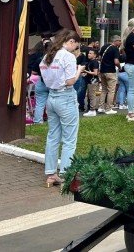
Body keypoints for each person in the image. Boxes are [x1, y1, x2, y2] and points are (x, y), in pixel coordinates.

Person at [40, 30, 84, 187]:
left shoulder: (48, 56)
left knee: (52, 136)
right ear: (70, 41)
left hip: (51, 97)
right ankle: (66, 173)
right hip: (65, 97)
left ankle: (51, 173)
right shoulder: (68, 57)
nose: (75, 49)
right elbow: (70, 81)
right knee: (69, 139)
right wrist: (78, 71)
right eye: (75, 45)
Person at [122, 18, 134, 121]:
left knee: (132, 90)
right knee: (133, 90)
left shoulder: (130, 37)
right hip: (133, 66)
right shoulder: (133, 37)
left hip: (131, 65)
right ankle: (131, 113)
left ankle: (131, 112)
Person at [98, 35, 121, 114]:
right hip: (111, 71)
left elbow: (100, 58)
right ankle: (108, 108)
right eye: (119, 41)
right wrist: (119, 67)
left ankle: (101, 107)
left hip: (102, 71)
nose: (120, 42)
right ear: (116, 41)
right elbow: (116, 61)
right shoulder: (115, 49)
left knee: (104, 90)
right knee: (111, 90)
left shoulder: (104, 47)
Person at [82, 48, 100, 117]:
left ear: (95, 55)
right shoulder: (90, 61)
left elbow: (95, 73)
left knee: (92, 95)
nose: (88, 54)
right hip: (89, 80)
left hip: (93, 81)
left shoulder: (95, 62)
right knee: (90, 95)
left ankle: (92, 110)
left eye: (90, 53)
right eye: (88, 53)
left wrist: (86, 72)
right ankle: (91, 109)